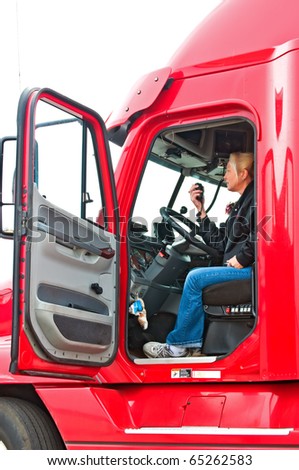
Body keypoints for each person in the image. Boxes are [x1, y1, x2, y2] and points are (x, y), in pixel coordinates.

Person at [143, 151, 255, 358]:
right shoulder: (242, 204)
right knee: (196, 273)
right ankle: (192, 343)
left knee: (195, 278)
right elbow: (221, 244)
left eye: (228, 170)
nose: (224, 176)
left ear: (243, 174)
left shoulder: (258, 197)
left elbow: (266, 230)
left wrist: (243, 258)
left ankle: (178, 347)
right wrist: (201, 211)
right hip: (242, 267)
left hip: (252, 271)